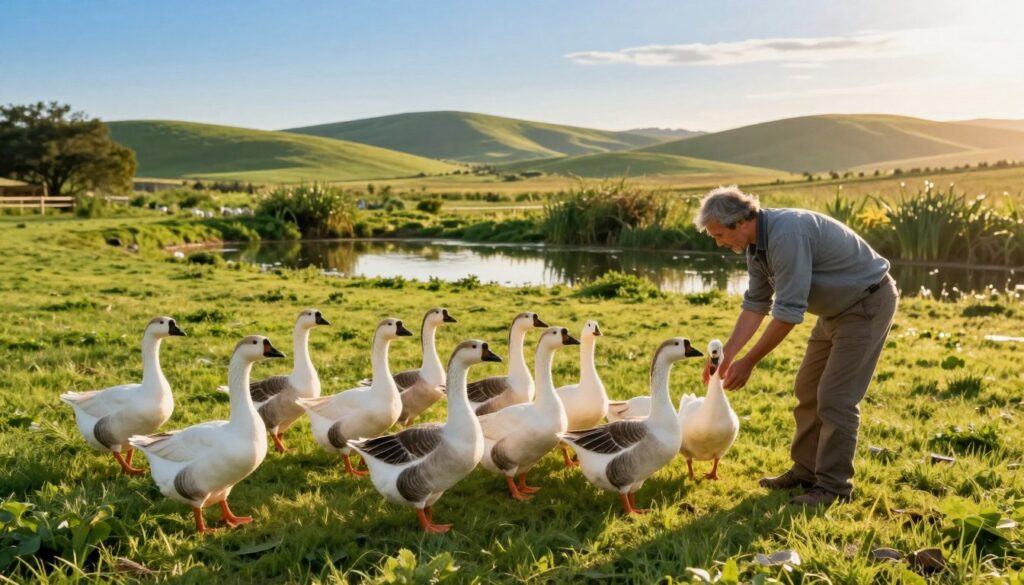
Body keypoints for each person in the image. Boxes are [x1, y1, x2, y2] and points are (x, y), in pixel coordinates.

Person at [695, 186, 898, 506]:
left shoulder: (786, 235)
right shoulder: (755, 246)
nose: (719, 243)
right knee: (807, 387)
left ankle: (833, 488)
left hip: (865, 305)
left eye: (720, 235)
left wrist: (749, 362)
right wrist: (727, 357)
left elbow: (788, 313)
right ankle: (806, 470)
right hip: (834, 311)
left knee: (835, 397)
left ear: (740, 223)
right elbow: (756, 304)